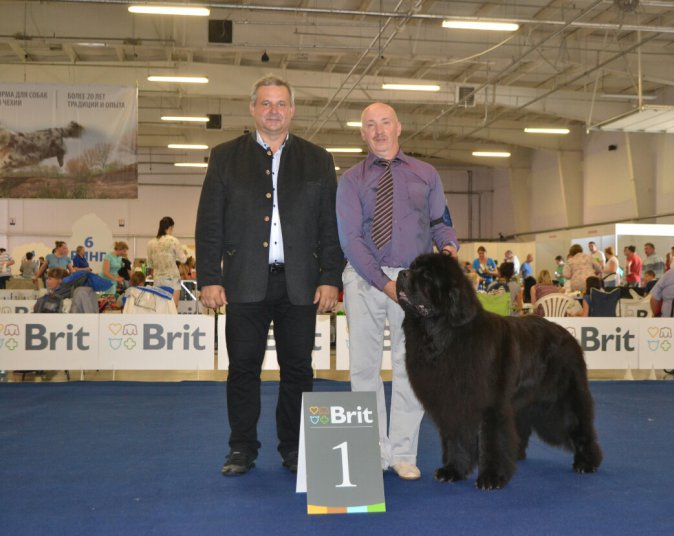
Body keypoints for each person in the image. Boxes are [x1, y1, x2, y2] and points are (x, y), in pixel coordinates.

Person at [196, 74, 344, 477]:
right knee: (243, 368)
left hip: (301, 284)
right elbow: (209, 223)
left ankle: (294, 448)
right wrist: (209, 277)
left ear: (292, 110)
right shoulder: (224, 157)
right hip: (243, 282)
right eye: (265, 103)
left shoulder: (318, 159)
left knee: (298, 369)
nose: (273, 111)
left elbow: (331, 226)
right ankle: (241, 448)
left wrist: (330, 277)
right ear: (252, 108)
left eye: (281, 104)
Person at [337, 101, 458, 481]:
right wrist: (384, 283)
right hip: (363, 279)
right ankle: (372, 450)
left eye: (385, 122)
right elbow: (350, 239)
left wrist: (448, 249)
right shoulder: (351, 180)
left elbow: (440, 222)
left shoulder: (426, 173)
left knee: (412, 368)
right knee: (364, 369)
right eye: (370, 125)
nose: (378, 130)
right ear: (363, 133)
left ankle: (404, 452)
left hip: (415, 282)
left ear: (398, 127)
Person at [147, 216, 187, 307]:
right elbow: (183, 260)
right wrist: (184, 253)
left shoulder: (150, 243)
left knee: (159, 307)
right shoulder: (173, 241)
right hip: (172, 279)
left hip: (158, 279)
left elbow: (149, 264)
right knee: (173, 307)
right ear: (170, 227)